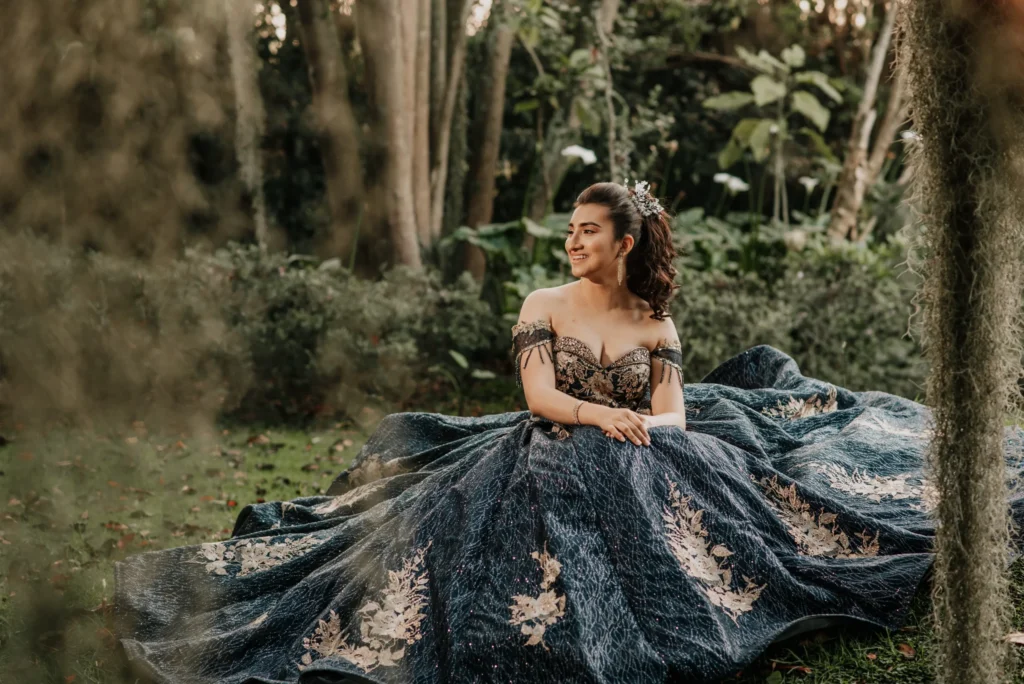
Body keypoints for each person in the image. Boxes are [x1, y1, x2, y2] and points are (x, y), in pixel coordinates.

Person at [114, 180, 1024, 684]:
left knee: (733, 503)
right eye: (571, 231)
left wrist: (642, 428)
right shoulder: (542, 303)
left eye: (588, 232)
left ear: (625, 243)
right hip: (547, 442)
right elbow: (540, 395)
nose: (572, 242)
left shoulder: (656, 324)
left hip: (643, 447)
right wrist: (604, 416)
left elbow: (672, 412)